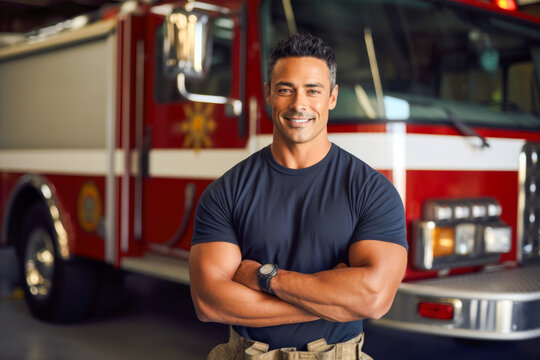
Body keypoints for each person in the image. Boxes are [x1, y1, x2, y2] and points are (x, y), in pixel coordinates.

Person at [189, 32, 408, 360]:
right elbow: (209, 302)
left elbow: (373, 298)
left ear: (332, 97)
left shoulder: (371, 191)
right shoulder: (225, 192)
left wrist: (266, 278)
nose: (298, 104)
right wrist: (333, 301)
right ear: (268, 95)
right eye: (285, 89)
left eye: (313, 90)